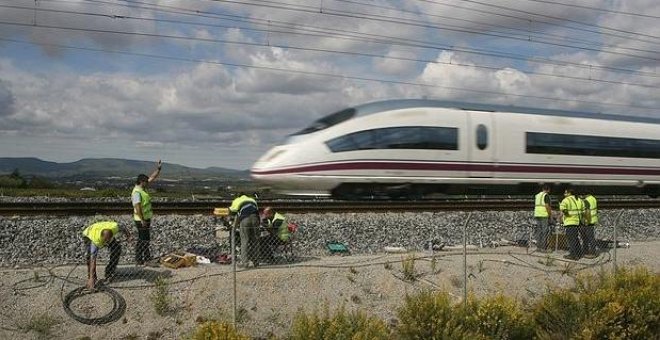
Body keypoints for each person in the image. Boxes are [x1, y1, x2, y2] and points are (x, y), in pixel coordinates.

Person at [83, 220, 129, 289]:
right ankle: (92, 278)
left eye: (108, 241)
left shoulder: (114, 227)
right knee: (90, 257)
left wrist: (129, 236)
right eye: (105, 241)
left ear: (111, 235)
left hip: (103, 231)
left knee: (116, 249)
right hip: (88, 234)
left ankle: (109, 273)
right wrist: (91, 278)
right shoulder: (96, 240)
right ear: (102, 238)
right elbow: (93, 260)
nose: (106, 244)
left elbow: (123, 227)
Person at [132, 160, 162, 266]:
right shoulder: (137, 192)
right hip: (141, 220)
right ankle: (142, 259)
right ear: (141, 182)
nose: (147, 183)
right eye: (145, 182)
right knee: (143, 240)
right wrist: (142, 220)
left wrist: (158, 169)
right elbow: (137, 207)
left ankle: (143, 258)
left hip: (145, 218)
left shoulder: (142, 188)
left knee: (145, 239)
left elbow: (152, 178)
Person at [229, 193, 260, 267]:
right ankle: (256, 262)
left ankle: (245, 263)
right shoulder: (252, 200)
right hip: (255, 219)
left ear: (238, 196)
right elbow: (256, 210)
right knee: (255, 240)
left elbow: (232, 211)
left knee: (245, 241)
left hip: (245, 219)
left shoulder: (237, 200)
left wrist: (233, 225)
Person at [560, 187, 584, 260]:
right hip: (578, 222)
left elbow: (563, 209)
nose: (565, 194)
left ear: (569, 193)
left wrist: (567, 215)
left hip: (570, 222)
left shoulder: (566, 200)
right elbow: (583, 211)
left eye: (566, 193)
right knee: (576, 238)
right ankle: (579, 253)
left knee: (571, 239)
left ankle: (573, 255)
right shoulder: (579, 200)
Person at [533, 184, 553, 252]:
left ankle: (538, 247)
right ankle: (543, 248)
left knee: (539, 231)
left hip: (537, 214)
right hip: (544, 215)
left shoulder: (537, 195)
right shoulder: (546, 195)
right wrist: (550, 215)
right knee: (544, 231)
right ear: (548, 190)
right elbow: (547, 206)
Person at [581, 191, 599, 258]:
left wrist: (586, 221)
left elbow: (587, 212)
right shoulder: (593, 198)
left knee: (588, 237)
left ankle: (592, 253)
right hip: (593, 219)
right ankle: (589, 251)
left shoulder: (586, 200)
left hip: (588, 221)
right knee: (590, 237)